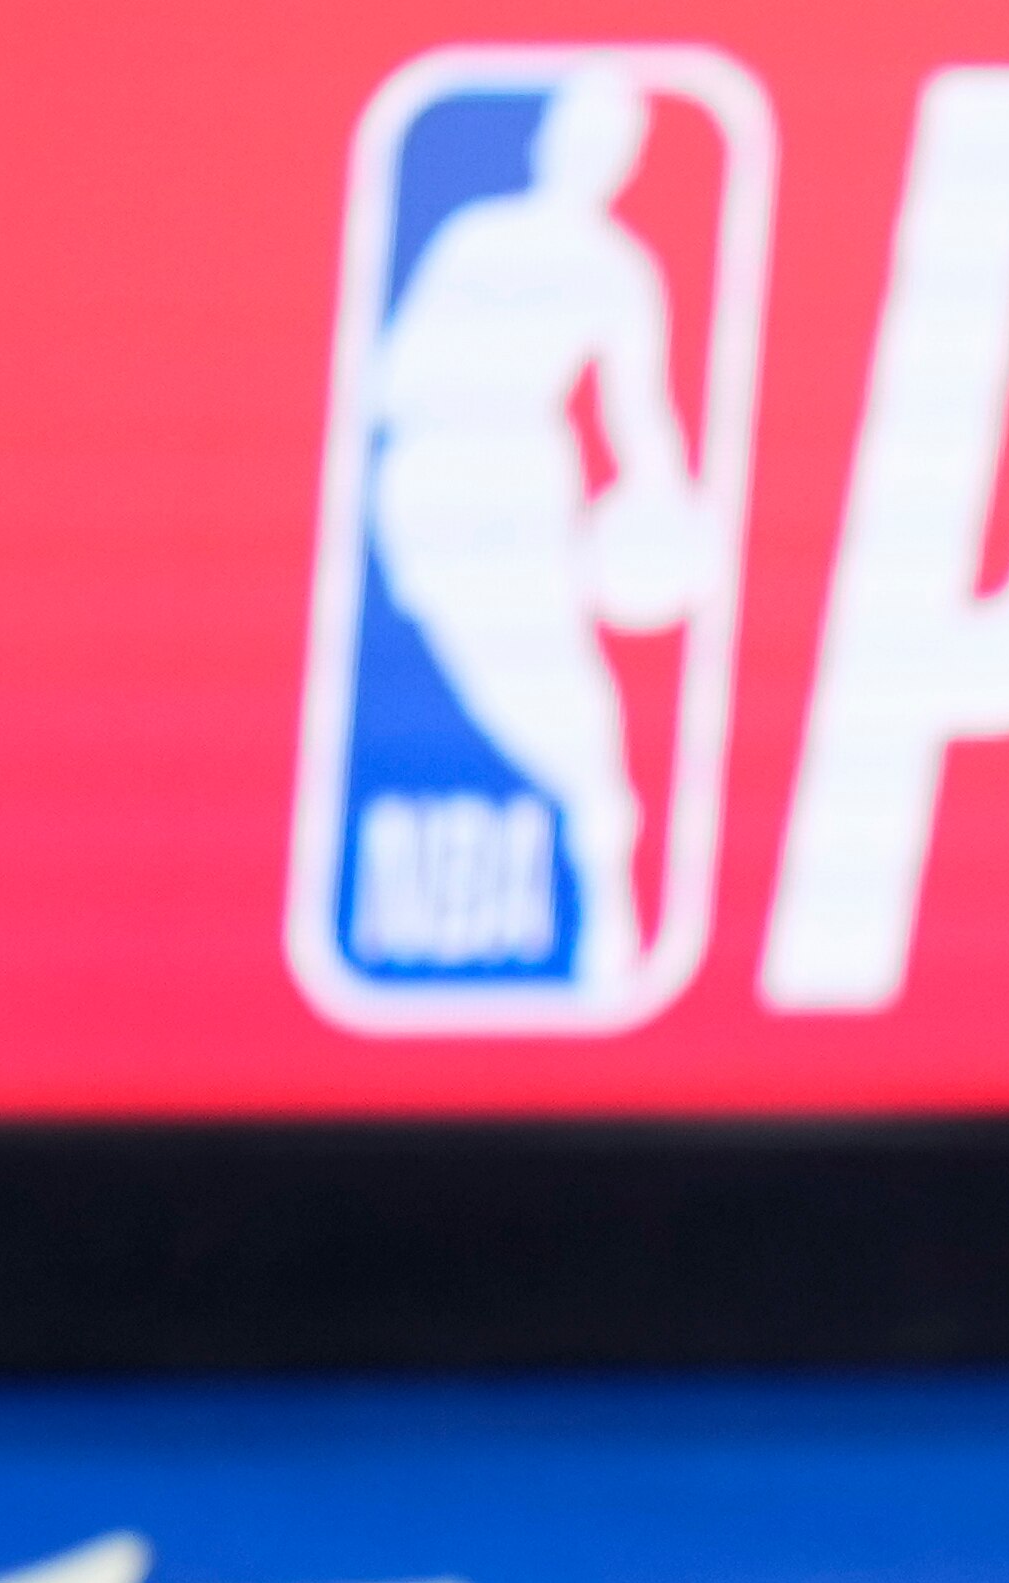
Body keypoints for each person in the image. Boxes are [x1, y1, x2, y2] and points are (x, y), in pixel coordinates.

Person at [365, 62, 704, 988]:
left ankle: (607, 903)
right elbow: (390, 377)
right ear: (548, 141)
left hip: (521, 484)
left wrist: (667, 509)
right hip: (438, 483)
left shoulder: (619, 270)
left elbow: (642, 416)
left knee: (574, 710)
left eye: (610, 141)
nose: (587, 153)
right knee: (485, 693)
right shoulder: (477, 239)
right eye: (577, 132)